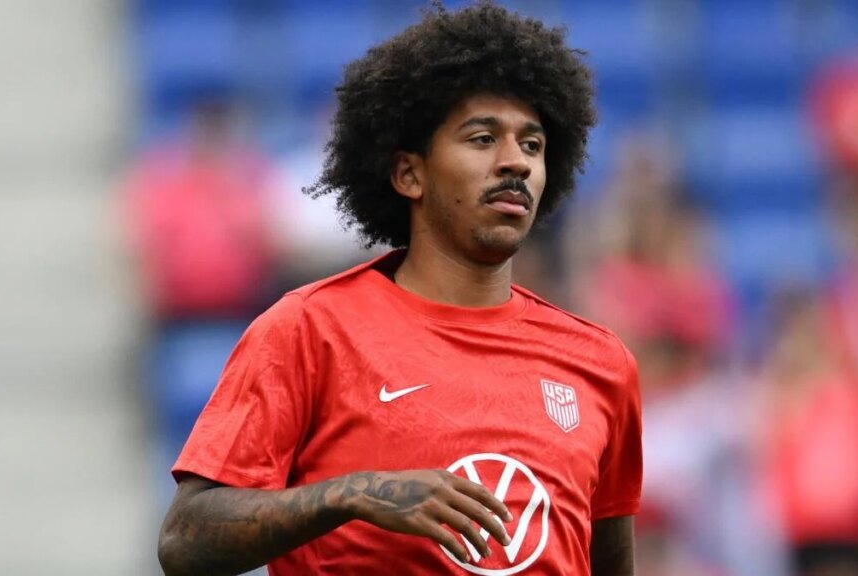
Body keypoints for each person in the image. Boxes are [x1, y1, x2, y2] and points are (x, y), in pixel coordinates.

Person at [157, 3, 642, 575]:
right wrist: (356, 493)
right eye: (483, 138)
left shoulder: (600, 362)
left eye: (532, 146)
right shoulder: (309, 330)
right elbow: (185, 541)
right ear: (409, 174)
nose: (515, 162)